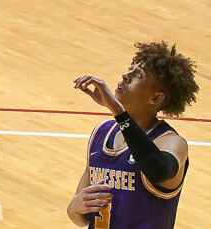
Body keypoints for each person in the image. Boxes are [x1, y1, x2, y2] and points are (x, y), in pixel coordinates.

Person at [67, 41, 199, 228]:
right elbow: (79, 216)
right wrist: (74, 208)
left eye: (138, 75)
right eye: (131, 69)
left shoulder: (170, 142)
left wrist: (118, 111)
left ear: (156, 98)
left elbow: (158, 171)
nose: (125, 75)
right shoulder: (102, 133)